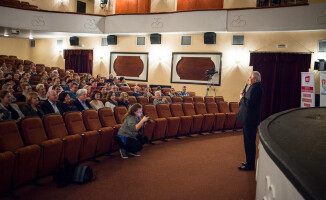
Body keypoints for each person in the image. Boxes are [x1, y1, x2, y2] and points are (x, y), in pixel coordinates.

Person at [237, 71, 263, 171]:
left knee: (249, 142)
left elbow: (249, 104)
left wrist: (242, 98)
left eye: (250, 77)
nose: (248, 79)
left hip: (250, 120)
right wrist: (244, 96)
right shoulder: (255, 87)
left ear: (255, 79)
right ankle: (249, 162)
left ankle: (250, 165)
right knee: (248, 142)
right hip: (249, 119)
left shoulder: (255, 88)